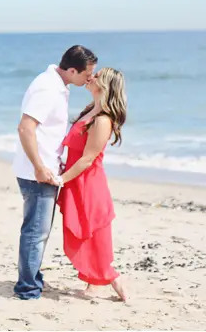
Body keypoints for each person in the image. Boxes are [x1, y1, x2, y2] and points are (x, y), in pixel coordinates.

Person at [12, 45, 97, 300]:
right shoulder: (47, 88)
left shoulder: (60, 85)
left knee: (39, 230)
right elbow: (25, 128)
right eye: (87, 74)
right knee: (35, 231)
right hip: (38, 172)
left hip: (47, 168)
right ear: (72, 70)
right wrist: (39, 167)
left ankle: (32, 278)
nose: (90, 79)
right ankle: (27, 288)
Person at [55, 66, 128, 302]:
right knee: (83, 230)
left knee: (93, 230)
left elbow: (87, 159)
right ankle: (95, 280)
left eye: (97, 76)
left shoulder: (103, 120)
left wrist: (60, 179)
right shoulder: (89, 111)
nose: (91, 77)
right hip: (75, 179)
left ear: (105, 86)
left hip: (88, 182)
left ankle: (109, 278)